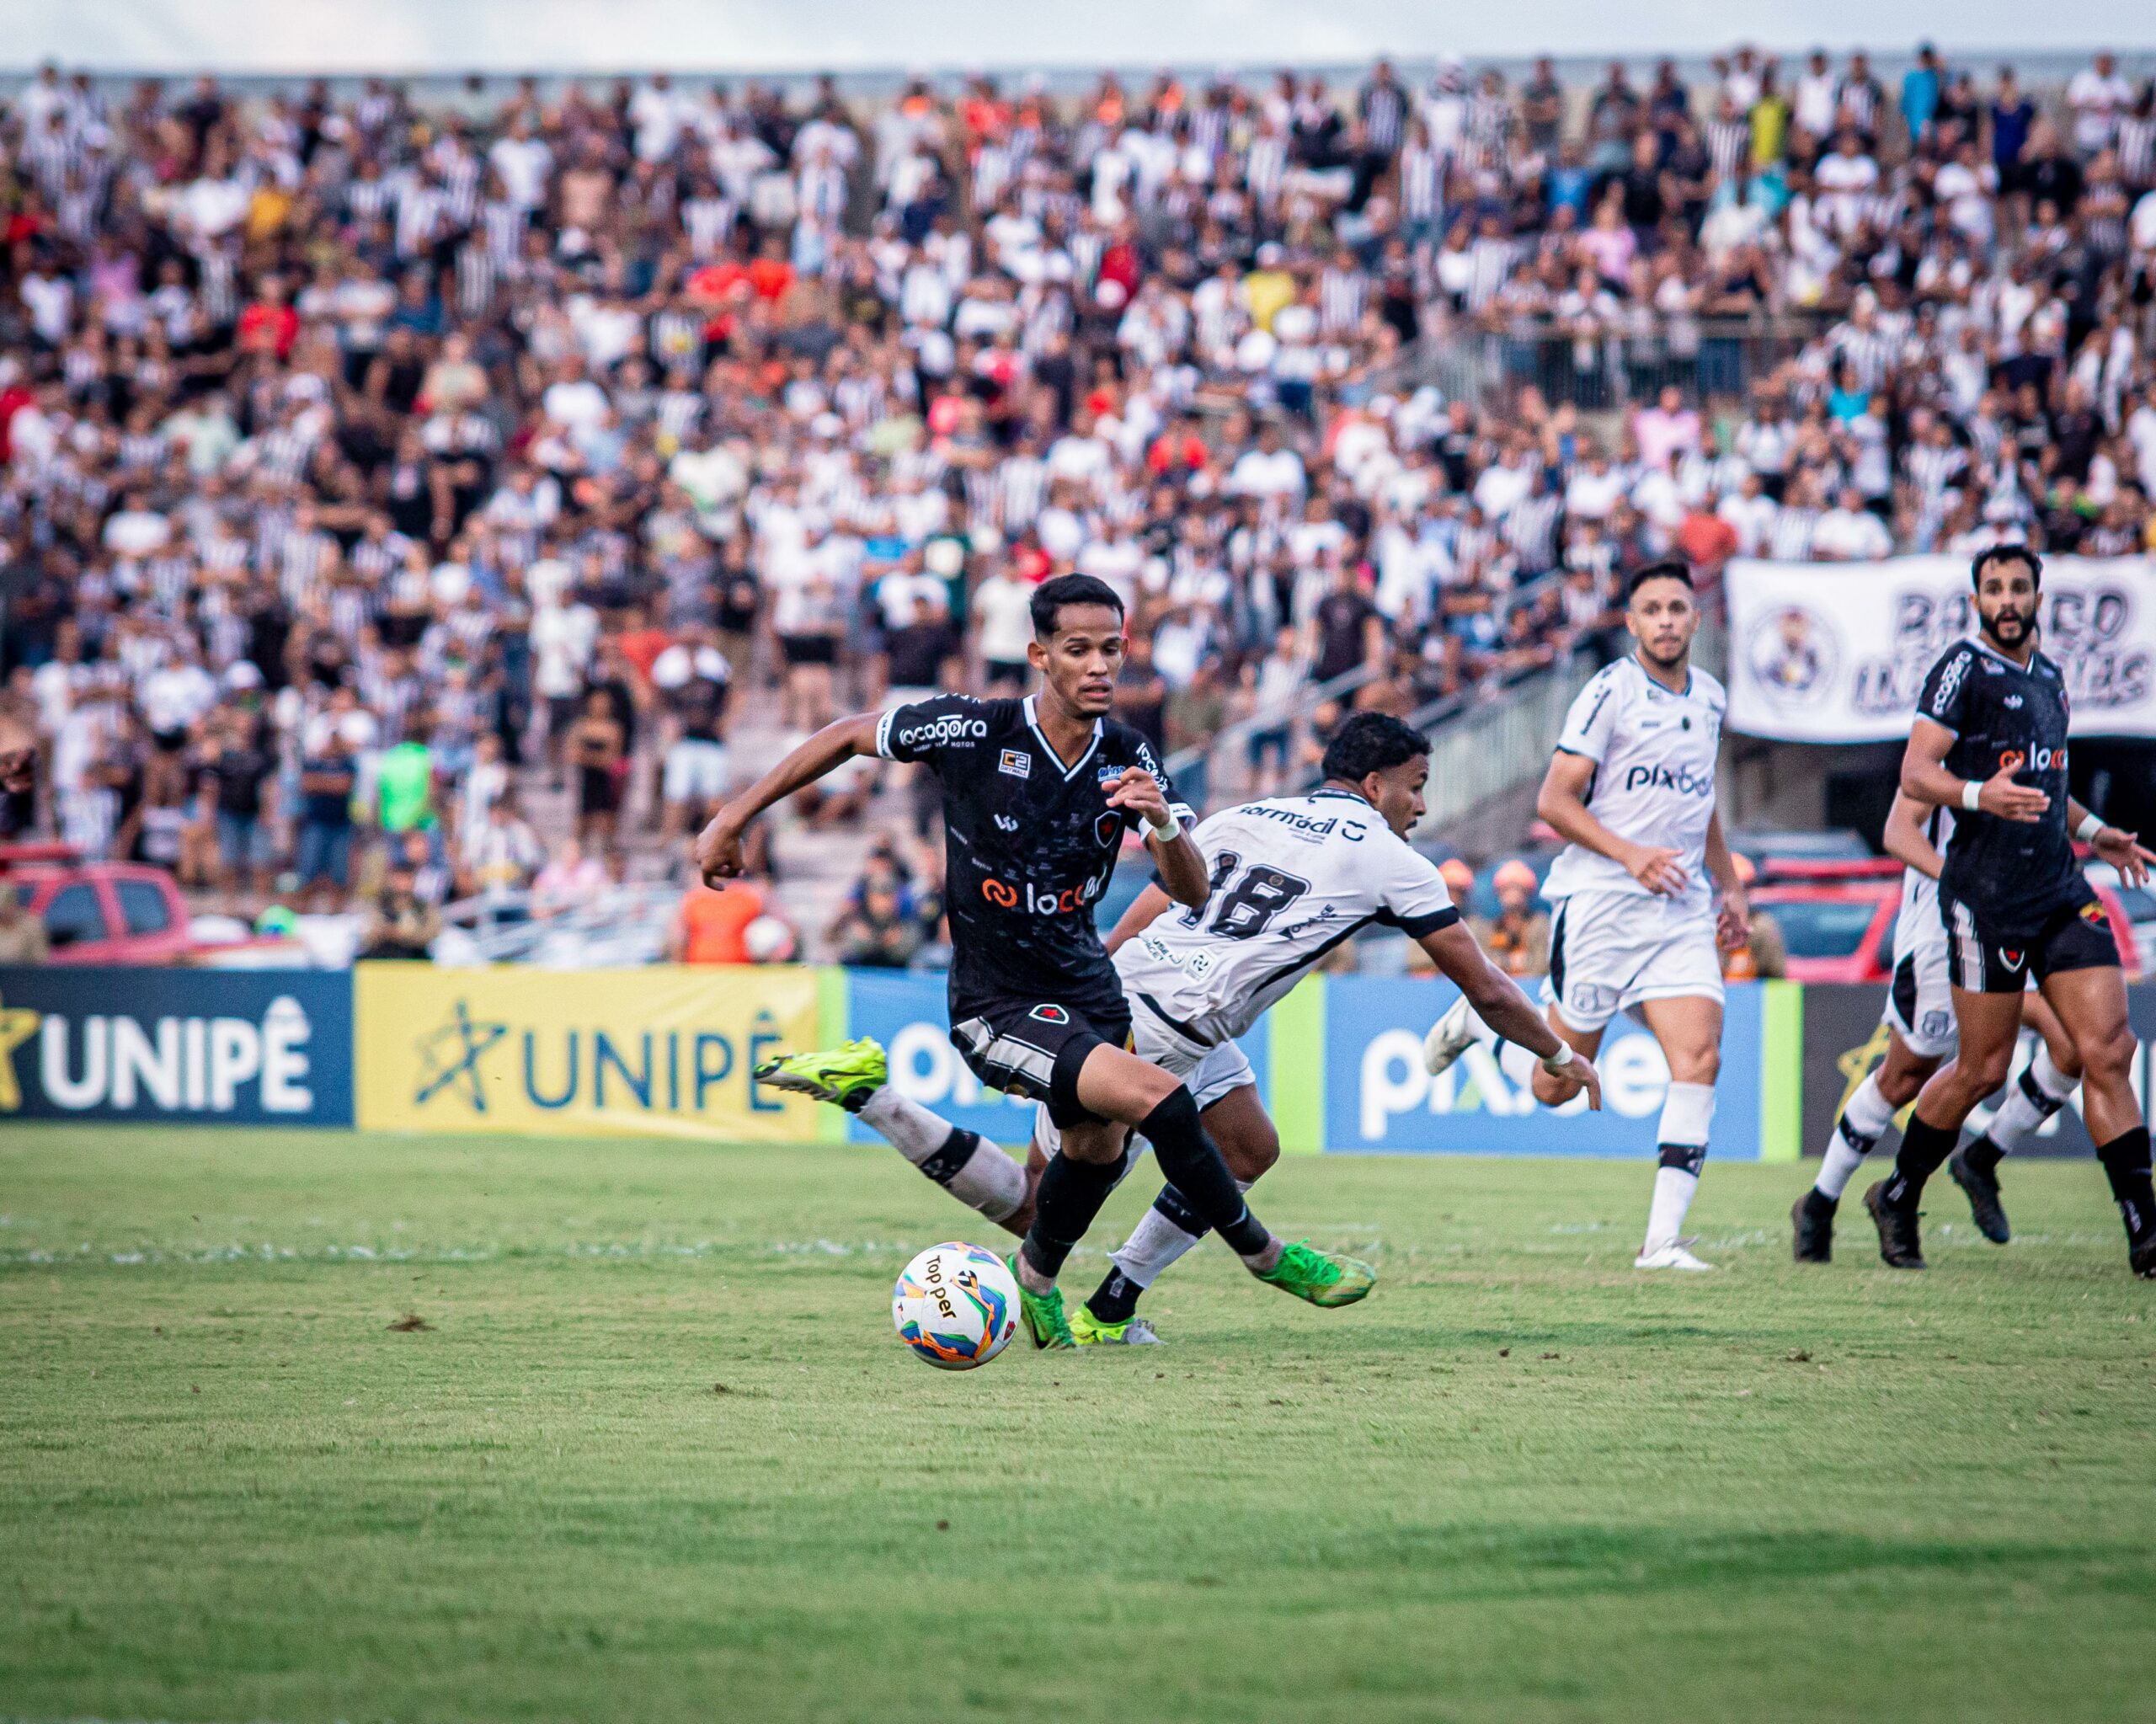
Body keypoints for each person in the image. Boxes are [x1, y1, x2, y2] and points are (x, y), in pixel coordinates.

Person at [756, 713, 1599, 1344]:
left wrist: (1099, 985)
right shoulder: (1392, 859)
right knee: (1037, 1209)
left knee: (1247, 1147)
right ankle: (875, 1096)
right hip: (1161, 1027)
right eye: (1416, 784)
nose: (1422, 803)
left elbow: (1156, 902)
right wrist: (1561, 1052)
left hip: (1148, 996)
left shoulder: (1247, 817)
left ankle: (1112, 1306)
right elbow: (1485, 987)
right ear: (1376, 784)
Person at [696, 573, 1374, 1348]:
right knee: (1160, 1099)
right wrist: (732, 816)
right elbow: (850, 732)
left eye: (1112, 649)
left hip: (1091, 988)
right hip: (998, 1003)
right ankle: (1266, 1255)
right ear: (1039, 655)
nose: (1099, 666)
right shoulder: (974, 730)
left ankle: (1036, 1283)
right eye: (1078, 649)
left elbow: (1189, 890)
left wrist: (1159, 820)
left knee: (1090, 1154)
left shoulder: (1126, 752)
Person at [1424, 561, 1747, 1271]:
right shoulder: (1609, 693)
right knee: (1555, 1086)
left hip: (1682, 908)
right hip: (1601, 904)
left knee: (1701, 1056)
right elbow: (1554, 800)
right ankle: (1485, 1019)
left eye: (1676, 608)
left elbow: (1702, 802)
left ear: (1696, 620)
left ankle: (1662, 1242)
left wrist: (1730, 888)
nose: (1665, 619)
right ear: (1630, 624)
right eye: (1651, 609)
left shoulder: (1713, 697)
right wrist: (1631, 854)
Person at [1865, 546, 2156, 1277]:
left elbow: (2050, 787)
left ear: (2037, 595)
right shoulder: (1961, 669)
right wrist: (1975, 796)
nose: (2006, 598)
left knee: (2108, 1049)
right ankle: (1899, 1194)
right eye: (1993, 587)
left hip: (2060, 889)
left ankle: (2145, 1230)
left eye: (2018, 587)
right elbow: (1916, 773)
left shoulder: (2051, 676)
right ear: (1976, 599)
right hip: (1985, 899)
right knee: (1982, 1069)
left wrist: (2095, 832)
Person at [1793, 789, 2084, 1262]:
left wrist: (2095, 833)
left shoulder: (2042, 717)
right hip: (1943, 923)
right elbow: (1899, 826)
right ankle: (1820, 1204)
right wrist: (1962, 880)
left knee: (2074, 1043)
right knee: (1907, 1074)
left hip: (2021, 913)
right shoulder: (1949, 726)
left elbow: (2050, 792)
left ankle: (1980, 1159)